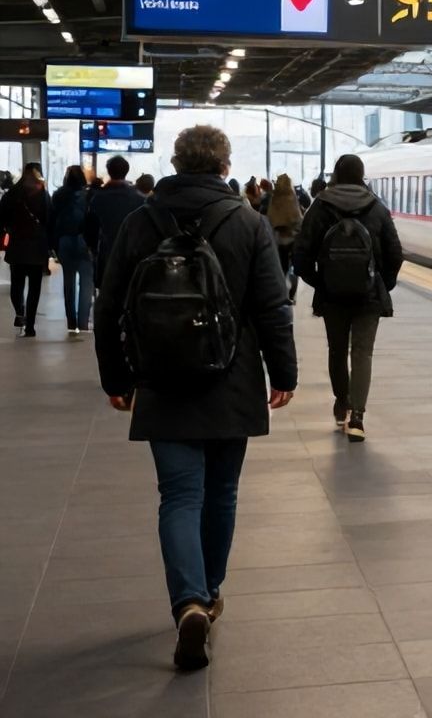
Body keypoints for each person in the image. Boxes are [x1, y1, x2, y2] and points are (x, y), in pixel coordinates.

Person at [93, 126, 297, 672]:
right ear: (225, 165)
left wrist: (116, 379)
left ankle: (187, 603)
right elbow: (273, 307)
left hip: (160, 380)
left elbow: (109, 306)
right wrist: (284, 373)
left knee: (180, 496)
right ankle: (207, 593)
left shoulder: (142, 221)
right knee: (222, 493)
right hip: (230, 378)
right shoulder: (248, 223)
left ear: (177, 164)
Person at [293, 156, 401, 441]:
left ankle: (342, 403)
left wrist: (320, 282)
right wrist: (381, 284)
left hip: (332, 296)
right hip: (368, 296)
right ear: (362, 175)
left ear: (337, 175)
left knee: (337, 350)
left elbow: (301, 254)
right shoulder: (377, 207)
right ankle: (358, 417)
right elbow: (395, 253)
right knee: (362, 352)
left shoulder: (320, 206)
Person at [0, 163, 50, 337]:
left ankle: (20, 313)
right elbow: (49, 219)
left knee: (17, 284)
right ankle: (30, 325)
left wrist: (10, 229)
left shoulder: (13, 193)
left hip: (17, 246)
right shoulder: (43, 193)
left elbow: (2, 217)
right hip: (37, 246)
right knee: (35, 287)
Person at [48, 165, 95, 336]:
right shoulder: (89, 195)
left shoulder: (59, 195)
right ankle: (83, 323)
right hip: (85, 241)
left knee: (68, 282)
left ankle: (71, 322)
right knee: (86, 283)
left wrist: (53, 244)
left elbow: (51, 220)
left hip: (65, 240)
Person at [86, 156, 146, 287]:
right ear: (127, 171)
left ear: (109, 171)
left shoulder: (97, 199)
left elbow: (91, 230)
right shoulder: (139, 200)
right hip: (132, 258)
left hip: (106, 255)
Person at [265, 175, 305, 304]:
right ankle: (292, 294)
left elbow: (270, 219)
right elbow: (298, 220)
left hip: (277, 239)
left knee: (281, 268)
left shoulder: (274, 198)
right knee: (294, 269)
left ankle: (282, 294)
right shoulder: (292, 197)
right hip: (292, 239)